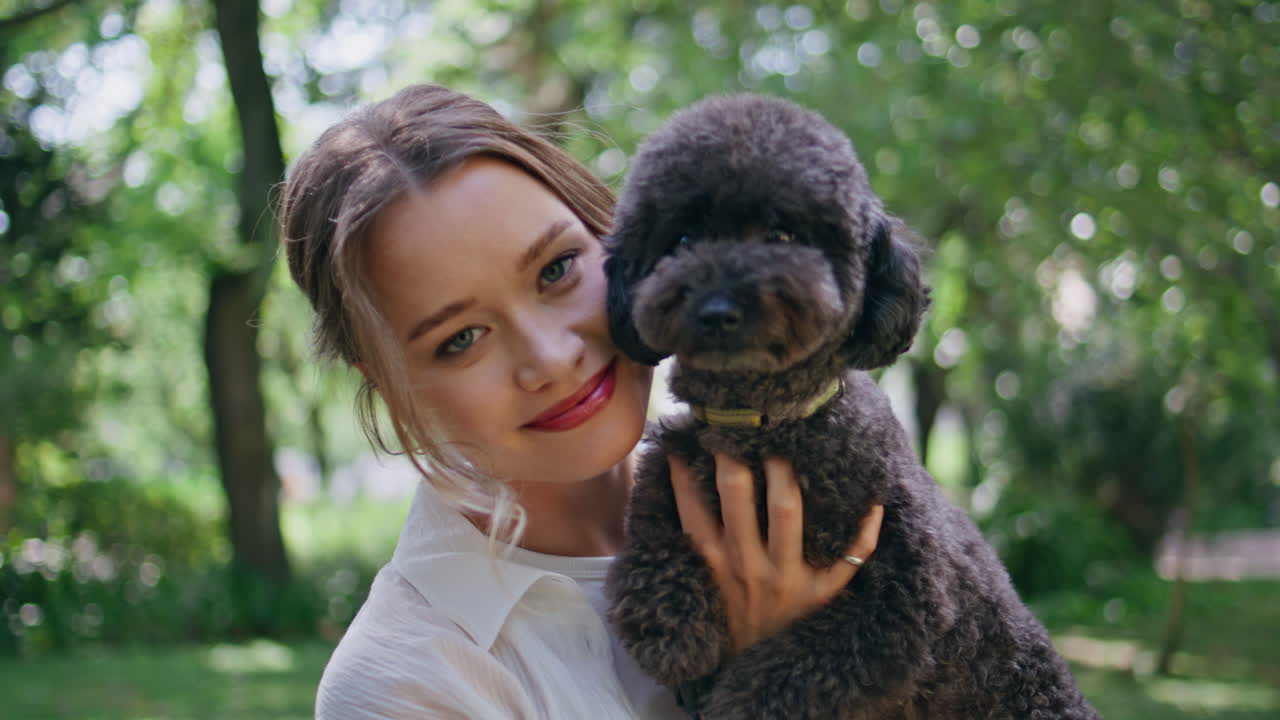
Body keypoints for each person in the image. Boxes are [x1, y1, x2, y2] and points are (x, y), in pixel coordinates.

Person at [280, 83, 884, 719]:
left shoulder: (812, 477)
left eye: (556, 269)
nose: (550, 358)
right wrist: (774, 668)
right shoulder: (399, 685)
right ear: (387, 382)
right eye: (461, 339)